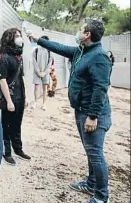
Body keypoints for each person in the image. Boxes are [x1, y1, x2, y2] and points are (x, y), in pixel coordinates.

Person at [28, 19, 112, 203]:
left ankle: (102, 196)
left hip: (92, 114)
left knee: (95, 154)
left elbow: (100, 89)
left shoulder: (99, 57)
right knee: (90, 151)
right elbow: (58, 47)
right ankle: (91, 184)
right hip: (82, 110)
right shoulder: (81, 51)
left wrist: (92, 116)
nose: (78, 32)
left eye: (80, 30)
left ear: (87, 35)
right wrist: (38, 39)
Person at [0, 28, 31, 166]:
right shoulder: (3, 57)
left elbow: (20, 78)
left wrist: (25, 97)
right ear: (9, 38)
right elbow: (2, 80)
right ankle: (7, 152)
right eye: (16, 36)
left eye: (19, 35)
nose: (19, 38)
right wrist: (9, 101)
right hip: (9, 98)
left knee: (17, 125)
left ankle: (18, 149)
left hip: (19, 96)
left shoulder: (18, 56)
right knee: (7, 125)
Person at [31, 35, 54, 110]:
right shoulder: (36, 50)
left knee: (45, 88)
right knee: (36, 87)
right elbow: (34, 61)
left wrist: (44, 72)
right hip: (37, 72)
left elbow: (50, 63)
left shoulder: (50, 52)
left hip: (45, 73)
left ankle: (44, 104)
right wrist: (38, 72)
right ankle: (35, 102)